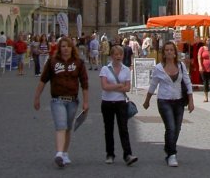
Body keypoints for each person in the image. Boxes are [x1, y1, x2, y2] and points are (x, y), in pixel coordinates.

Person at [34, 35, 90, 169]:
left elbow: (85, 83)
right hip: (57, 99)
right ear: (59, 48)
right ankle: (59, 153)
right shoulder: (52, 61)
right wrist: (37, 97)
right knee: (61, 125)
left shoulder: (78, 63)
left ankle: (64, 153)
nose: (66, 49)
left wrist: (86, 102)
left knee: (68, 127)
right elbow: (43, 80)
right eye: (63, 46)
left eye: (68, 46)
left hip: (72, 100)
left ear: (72, 48)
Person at [143, 40, 195, 167]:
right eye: (167, 50)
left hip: (179, 101)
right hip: (164, 101)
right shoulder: (158, 68)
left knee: (177, 129)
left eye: (171, 50)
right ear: (164, 53)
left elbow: (187, 83)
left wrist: (191, 100)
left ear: (175, 52)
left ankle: (168, 148)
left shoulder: (181, 66)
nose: (169, 52)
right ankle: (172, 154)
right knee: (170, 127)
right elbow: (153, 85)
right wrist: (147, 100)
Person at [100, 44, 138, 166]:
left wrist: (114, 87)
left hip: (121, 103)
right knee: (109, 129)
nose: (118, 56)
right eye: (116, 54)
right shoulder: (105, 69)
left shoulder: (126, 70)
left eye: (120, 54)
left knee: (123, 129)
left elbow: (127, 88)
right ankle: (110, 154)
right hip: (107, 102)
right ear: (111, 56)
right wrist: (118, 86)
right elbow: (104, 87)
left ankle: (128, 154)